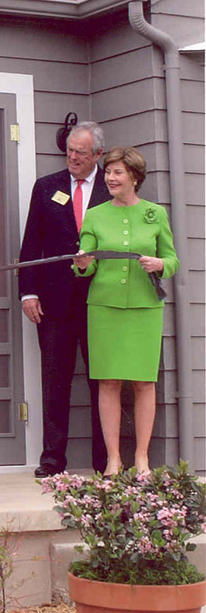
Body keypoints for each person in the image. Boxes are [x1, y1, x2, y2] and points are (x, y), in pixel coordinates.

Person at [74, 147, 178, 475]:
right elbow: (85, 266)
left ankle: (142, 457)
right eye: (107, 172)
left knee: (145, 383)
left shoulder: (155, 214)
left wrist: (160, 263)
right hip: (104, 307)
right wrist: (82, 264)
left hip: (145, 308)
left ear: (134, 176)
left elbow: (173, 260)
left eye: (117, 172)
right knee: (108, 382)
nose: (110, 178)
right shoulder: (95, 215)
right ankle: (113, 459)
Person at [19, 122, 109, 477]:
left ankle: (106, 460)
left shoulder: (111, 187)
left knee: (103, 380)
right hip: (54, 301)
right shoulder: (47, 187)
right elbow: (31, 244)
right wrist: (28, 291)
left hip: (102, 300)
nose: (73, 157)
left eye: (81, 153)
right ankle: (53, 459)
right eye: (70, 150)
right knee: (55, 379)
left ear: (97, 155)